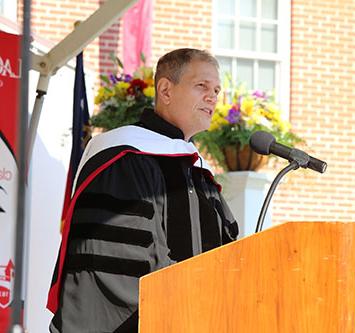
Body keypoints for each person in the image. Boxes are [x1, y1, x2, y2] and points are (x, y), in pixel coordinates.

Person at [47, 48, 239, 332]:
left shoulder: (200, 174)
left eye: (217, 90)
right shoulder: (125, 156)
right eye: (202, 86)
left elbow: (230, 254)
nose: (213, 97)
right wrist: (182, 306)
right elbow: (118, 261)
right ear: (165, 90)